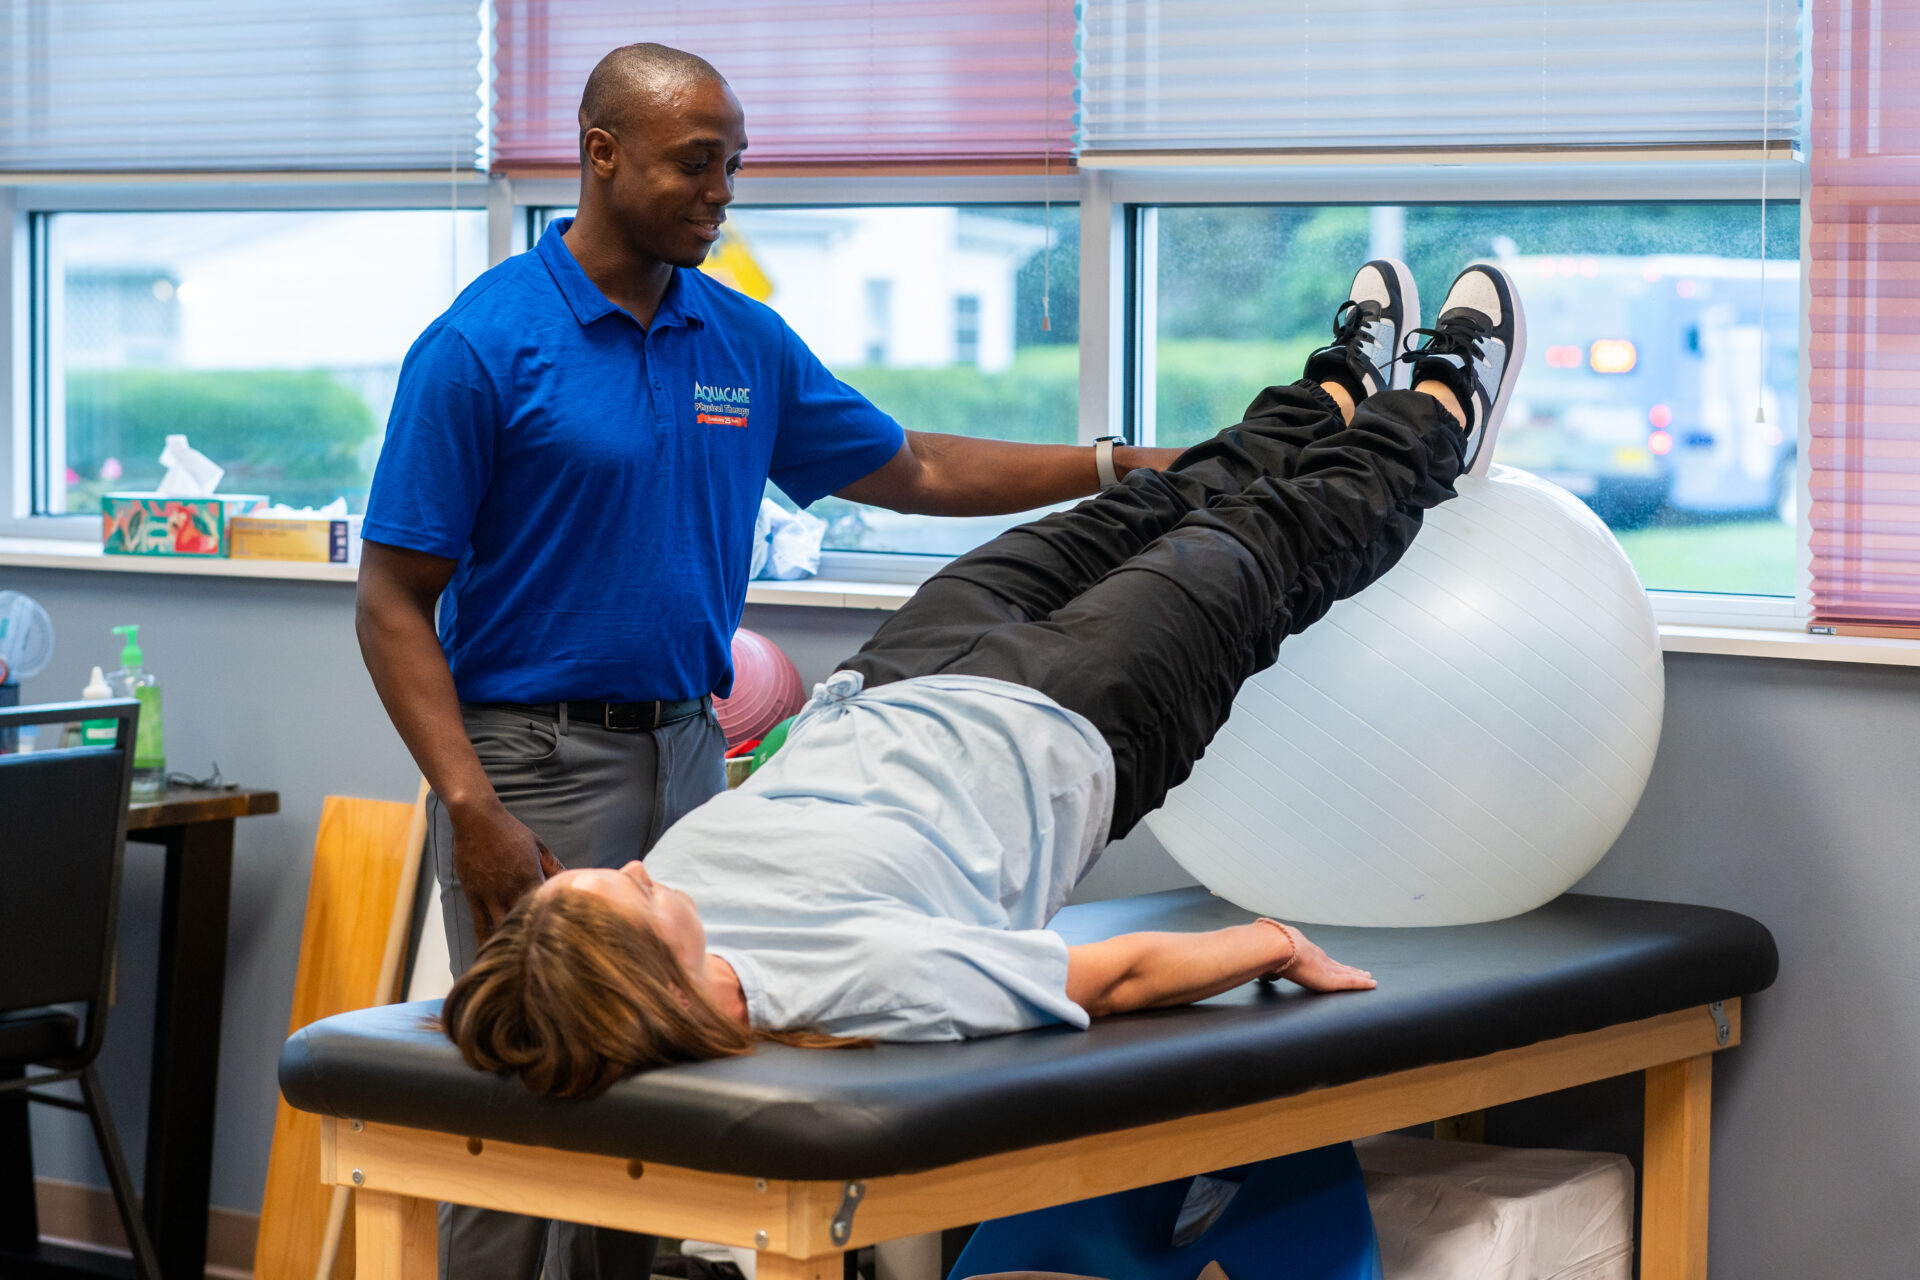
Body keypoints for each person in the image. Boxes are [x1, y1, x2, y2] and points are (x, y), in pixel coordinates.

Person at [355, 43, 1180, 1279]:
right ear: (601, 154)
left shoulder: (736, 337)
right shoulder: (483, 346)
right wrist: (470, 803)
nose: (722, 190)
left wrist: (1114, 467)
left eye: (733, 165)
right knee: (530, 1100)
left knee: (658, 1090)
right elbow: (389, 600)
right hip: (528, 756)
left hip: (690, 743)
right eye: (698, 163)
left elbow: (912, 466)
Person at [442, 257, 1528, 1097]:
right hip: (1072, 718)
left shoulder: (679, 899)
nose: (632, 869)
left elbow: (913, 460)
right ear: (653, 978)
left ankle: (1329, 393)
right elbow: (1109, 978)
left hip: (901, 676)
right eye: (623, 896)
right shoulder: (847, 984)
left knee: (1140, 504)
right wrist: (1274, 941)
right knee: (1272, 540)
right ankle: (1442, 409)